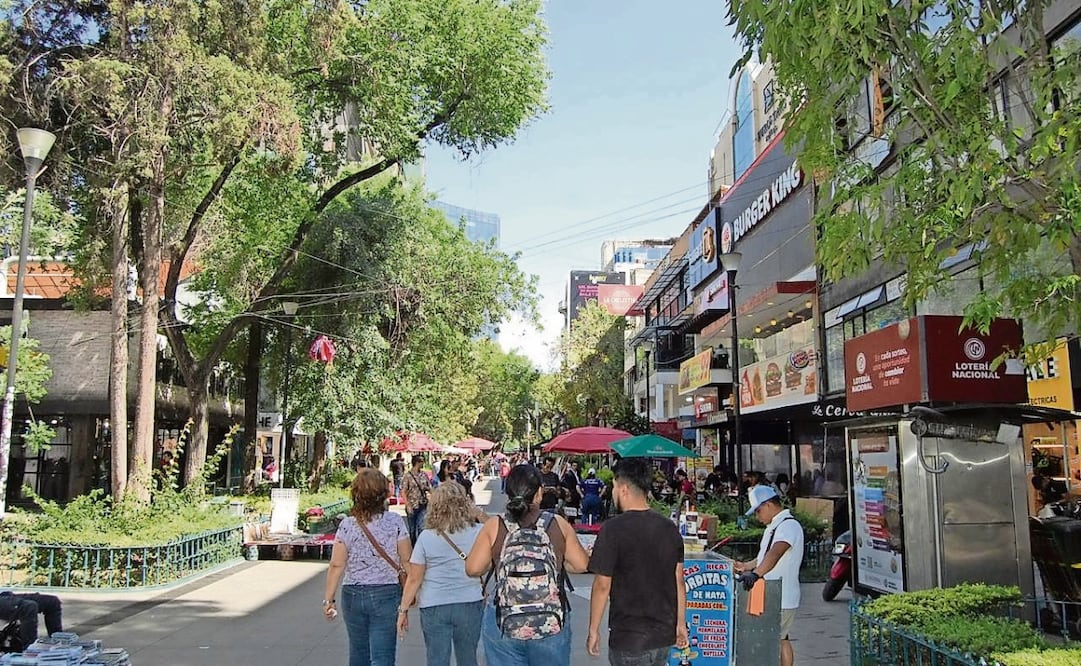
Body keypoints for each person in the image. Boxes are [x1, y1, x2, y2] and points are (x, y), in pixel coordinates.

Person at [464, 464, 591, 665]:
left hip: (504, 621)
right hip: (550, 623)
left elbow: (473, 569)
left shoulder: (495, 525)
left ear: (508, 493)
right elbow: (582, 564)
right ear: (539, 493)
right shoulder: (557, 523)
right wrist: (557, 562)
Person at [587, 458, 687, 665]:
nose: (612, 493)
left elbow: (602, 585)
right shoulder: (669, 528)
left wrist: (593, 629)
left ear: (623, 489)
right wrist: (680, 623)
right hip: (662, 636)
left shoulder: (613, 529)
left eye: (613, 487)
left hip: (629, 638)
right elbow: (678, 580)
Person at [323, 469, 412, 666]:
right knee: (383, 656)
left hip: (353, 593)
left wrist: (329, 599)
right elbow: (407, 560)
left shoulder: (347, 525)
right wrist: (409, 596)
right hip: (387, 592)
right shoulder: (395, 522)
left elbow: (337, 564)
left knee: (358, 653)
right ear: (384, 494)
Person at [398, 482, 485, 666]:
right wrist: (478, 513)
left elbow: (414, 578)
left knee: (437, 659)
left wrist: (403, 609)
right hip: (469, 601)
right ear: (464, 503)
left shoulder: (426, 537)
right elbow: (499, 529)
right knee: (468, 658)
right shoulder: (479, 532)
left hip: (434, 604)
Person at [734, 485, 805, 666]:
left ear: (768, 505)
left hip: (783, 596)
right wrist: (746, 567)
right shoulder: (774, 526)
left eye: (758, 511)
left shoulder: (788, 525)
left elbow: (776, 553)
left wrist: (756, 574)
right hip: (775, 594)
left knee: (778, 639)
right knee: (781, 638)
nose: (757, 517)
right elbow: (763, 558)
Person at [402, 455, 432, 544]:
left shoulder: (424, 475)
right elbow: (403, 491)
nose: (423, 463)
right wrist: (407, 505)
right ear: (417, 462)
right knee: (412, 529)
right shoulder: (407, 476)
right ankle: (412, 546)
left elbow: (429, 487)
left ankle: (421, 546)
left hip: (422, 504)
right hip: (412, 504)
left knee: (421, 527)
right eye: (422, 461)